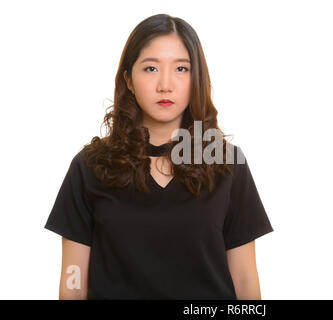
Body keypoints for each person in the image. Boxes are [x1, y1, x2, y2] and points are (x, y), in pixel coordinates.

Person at [44, 13, 274, 300]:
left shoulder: (227, 164)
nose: (165, 84)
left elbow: (245, 279)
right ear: (128, 79)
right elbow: (72, 279)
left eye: (181, 69)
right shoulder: (90, 166)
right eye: (151, 68)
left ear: (197, 78)